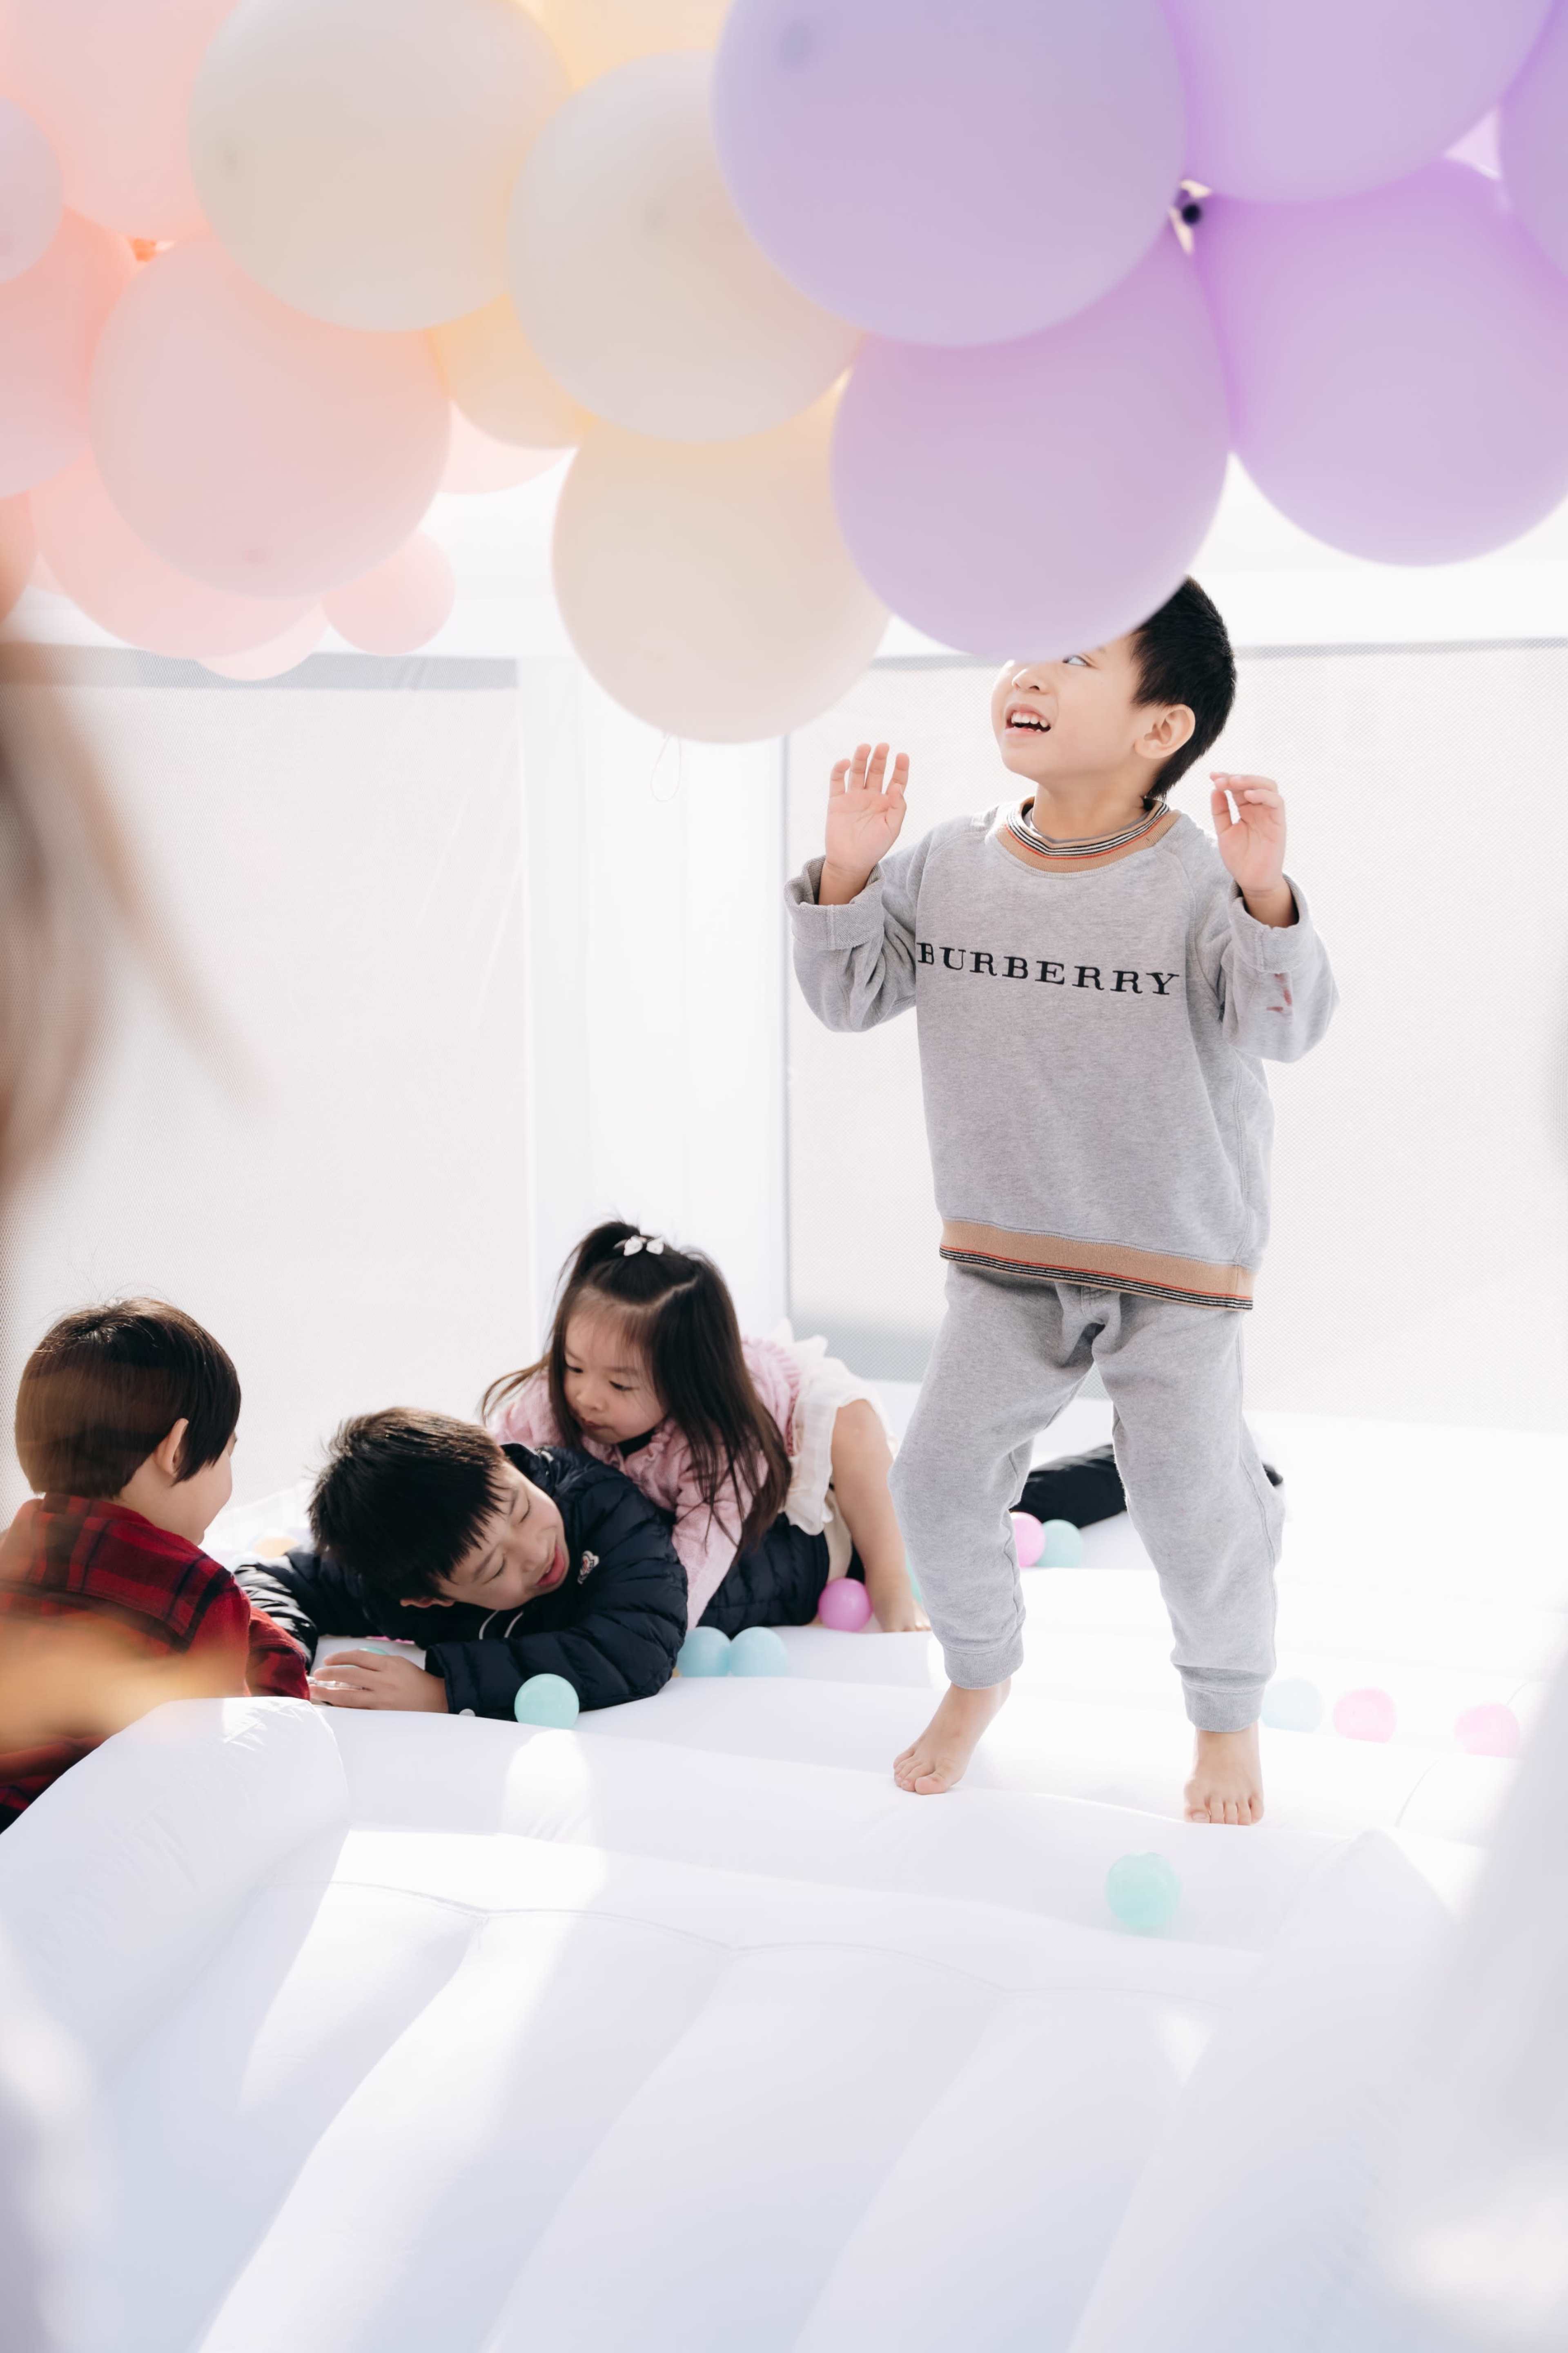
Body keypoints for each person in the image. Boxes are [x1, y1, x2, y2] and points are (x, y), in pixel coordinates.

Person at [788, 578, 1337, 1821]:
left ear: (1159, 728)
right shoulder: (946, 863)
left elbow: (1282, 1026)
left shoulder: (1197, 882)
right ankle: (976, 1673)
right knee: (935, 1483)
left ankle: (1224, 1713)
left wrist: (1263, 896)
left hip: (1176, 1265)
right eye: (1023, 649)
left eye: (1075, 659)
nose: (1028, 674)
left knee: (1186, 1508)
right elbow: (848, 998)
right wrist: (847, 870)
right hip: (1002, 1262)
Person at [484, 1219, 925, 1635]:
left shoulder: (718, 1443)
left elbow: (700, 1556)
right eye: (573, 1366)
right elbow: (494, 1465)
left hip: (790, 1436)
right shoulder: (553, 1397)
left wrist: (661, 1633)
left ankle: (893, 1583)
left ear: (681, 1383)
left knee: (852, 1425)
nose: (587, 1396)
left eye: (620, 1384)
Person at [0, 1299, 310, 1829]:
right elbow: (244, 1735)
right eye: (228, 1452)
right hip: (65, 1839)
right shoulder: (197, 1589)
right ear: (178, 1449)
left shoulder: (15, 1548)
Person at [236, 1407, 689, 1717]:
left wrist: (441, 1690)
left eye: (523, 1508)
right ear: (427, 1598)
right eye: (494, 1568)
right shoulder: (394, 1581)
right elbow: (268, 1579)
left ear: (501, 1458)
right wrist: (280, 1665)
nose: (536, 1551)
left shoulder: (598, 1503)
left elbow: (636, 1646)